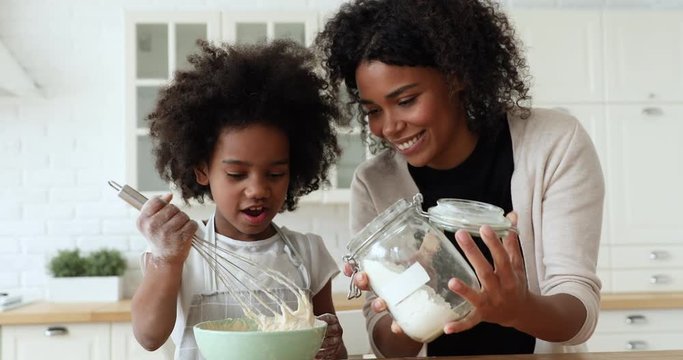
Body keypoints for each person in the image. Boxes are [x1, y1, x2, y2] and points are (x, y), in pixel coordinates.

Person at [314, 0, 604, 357]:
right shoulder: (374, 183)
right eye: (373, 110)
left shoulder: (554, 144)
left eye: (406, 100)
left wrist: (517, 308)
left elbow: (579, 312)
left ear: (456, 76)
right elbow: (389, 348)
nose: (388, 127)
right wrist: (411, 302)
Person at [130, 39, 348, 360]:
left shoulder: (308, 254)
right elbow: (148, 337)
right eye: (236, 174)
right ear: (202, 170)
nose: (258, 189)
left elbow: (335, 353)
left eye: (275, 174)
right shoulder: (180, 253)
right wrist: (166, 260)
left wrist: (331, 344)